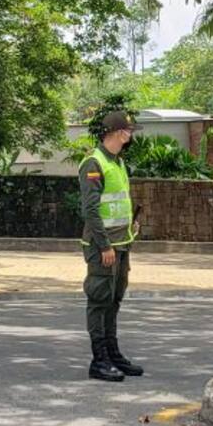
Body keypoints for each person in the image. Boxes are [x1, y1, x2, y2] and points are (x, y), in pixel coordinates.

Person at [78, 110, 144, 382]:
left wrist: (130, 228)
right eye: (129, 131)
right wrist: (105, 246)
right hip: (102, 246)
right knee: (99, 300)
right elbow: (91, 211)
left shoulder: (117, 162)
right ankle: (99, 359)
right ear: (118, 133)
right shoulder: (93, 163)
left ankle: (112, 352)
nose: (130, 136)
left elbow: (117, 203)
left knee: (113, 300)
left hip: (121, 243)